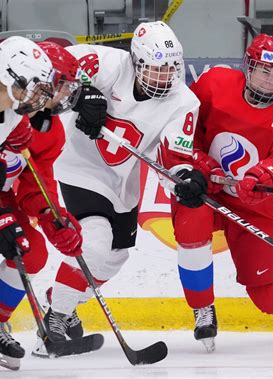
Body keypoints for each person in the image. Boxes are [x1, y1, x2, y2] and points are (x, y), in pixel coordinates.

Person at [36, 21, 206, 351]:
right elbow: (48, 61)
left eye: (171, 68)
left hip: (122, 183)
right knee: (95, 243)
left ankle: (62, 298)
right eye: (156, 69)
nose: (165, 76)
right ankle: (54, 320)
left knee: (114, 257)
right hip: (81, 170)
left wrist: (185, 180)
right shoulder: (109, 64)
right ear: (136, 62)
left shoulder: (185, 102)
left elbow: (174, 157)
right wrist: (79, 92)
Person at [173, 34, 273, 352]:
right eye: (265, 71)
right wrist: (202, 164)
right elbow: (183, 129)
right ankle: (202, 307)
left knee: (267, 294)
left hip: (252, 202)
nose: (272, 80)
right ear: (248, 67)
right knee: (191, 224)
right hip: (203, 186)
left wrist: (262, 177)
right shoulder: (215, 84)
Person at [0, 40, 102, 370]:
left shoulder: (17, 115)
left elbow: (31, 178)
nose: (51, 96)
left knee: (28, 249)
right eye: (48, 86)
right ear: (16, 79)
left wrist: (50, 215)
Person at [0, 36, 55, 369]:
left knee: (17, 250)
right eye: (33, 87)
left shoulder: (10, 111)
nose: (38, 97)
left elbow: (3, 146)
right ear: (9, 78)